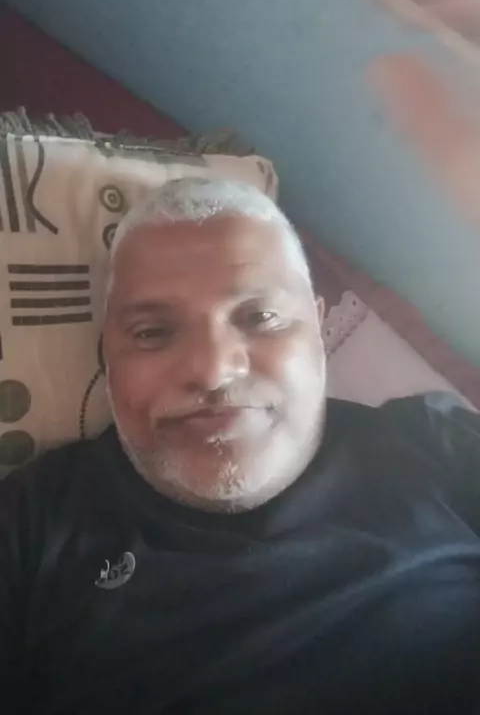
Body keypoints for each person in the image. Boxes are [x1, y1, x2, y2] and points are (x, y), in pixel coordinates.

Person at [1, 173, 480, 715]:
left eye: (260, 318)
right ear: (106, 356)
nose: (212, 371)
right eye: (153, 332)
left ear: (319, 331)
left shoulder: (435, 443)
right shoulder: (30, 526)